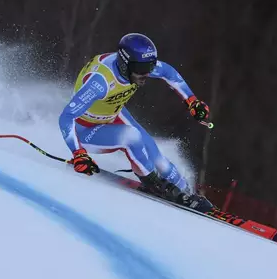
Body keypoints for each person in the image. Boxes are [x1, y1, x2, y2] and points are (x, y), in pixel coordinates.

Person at [58, 33, 216, 212]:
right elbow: (66, 117)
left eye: (149, 67)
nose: (146, 73)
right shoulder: (100, 82)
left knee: (156, 156)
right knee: (131, 137)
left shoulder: (137, 65)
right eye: (141, 68)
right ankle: (153, 183)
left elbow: (168, 72)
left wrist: (192, 101)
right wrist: (78, 153)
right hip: (85, 130)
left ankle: (186, 193)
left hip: (112, 113)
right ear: (125, 64)